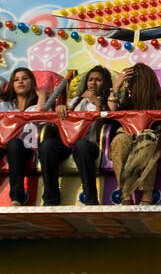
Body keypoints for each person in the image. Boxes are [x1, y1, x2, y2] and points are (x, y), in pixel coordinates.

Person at [0, 67, 47, 206]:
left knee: (14, 144)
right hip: (1, 145)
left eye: (25, 78)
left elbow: (40, 118)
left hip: (25, 147)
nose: (20, 82)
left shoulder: (36, 105)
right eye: (16, 80)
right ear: (12, 85)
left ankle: (16, 197)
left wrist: (41, 96)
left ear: (32, 82)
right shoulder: (5, 105)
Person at [39, 65, 112, 205]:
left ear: (105, 83)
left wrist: (96, 102)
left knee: (81, 146)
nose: (93, 83)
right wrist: (61, 109)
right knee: (47, 146)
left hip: (89, 144)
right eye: (90, 80)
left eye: (98, 80)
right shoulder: (76, 100)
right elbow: (65, 120)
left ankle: (91, 199)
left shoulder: (106, 101)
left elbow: (104, 121)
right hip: (68, 141)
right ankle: (50, 199)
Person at [107, 63, 161, 205]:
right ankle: (126, 196)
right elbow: (110, 114)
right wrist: (116, 86)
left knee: (146, 138)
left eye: (130, 83)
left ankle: (147, 195)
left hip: (151, 143)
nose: (128, 87)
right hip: (127, 138)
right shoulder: (127, 104)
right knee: (120, 140)